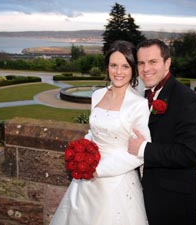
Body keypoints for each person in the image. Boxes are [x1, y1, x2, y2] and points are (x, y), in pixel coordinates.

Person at [50, 40, 151, 225]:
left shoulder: (139, 105)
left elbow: (139, 153)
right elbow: (93, 131)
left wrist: (97, 169)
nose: (118, 72)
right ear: (107, 67)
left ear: (133, 69)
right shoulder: (97, 95)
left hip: (117, 183)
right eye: (113, 65)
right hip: (86, 182)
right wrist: (82, 152)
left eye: (125, 66)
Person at [128, 39, 196, 225]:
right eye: (141, 63)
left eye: (153, 62)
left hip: (172, 203)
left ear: (167, 63)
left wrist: (144, 150)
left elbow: (190, 154)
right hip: (139, 195)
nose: (146, 68)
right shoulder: (139, 95)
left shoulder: (187, 100)